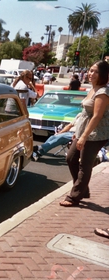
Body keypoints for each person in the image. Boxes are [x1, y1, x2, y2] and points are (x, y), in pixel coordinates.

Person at [60, 60, 109, 207]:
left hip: (96, 134)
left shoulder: (103, 92)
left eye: (95, 71)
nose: (90, 73)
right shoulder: (93, 89)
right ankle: (83, 190)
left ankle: (74, 197)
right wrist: (78, 132)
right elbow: (84, 115)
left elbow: (96, 116)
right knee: (71, 158)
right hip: (84, 132)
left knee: (85, 164)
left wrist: (84, 136)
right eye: (90, 70)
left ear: (103, 74)